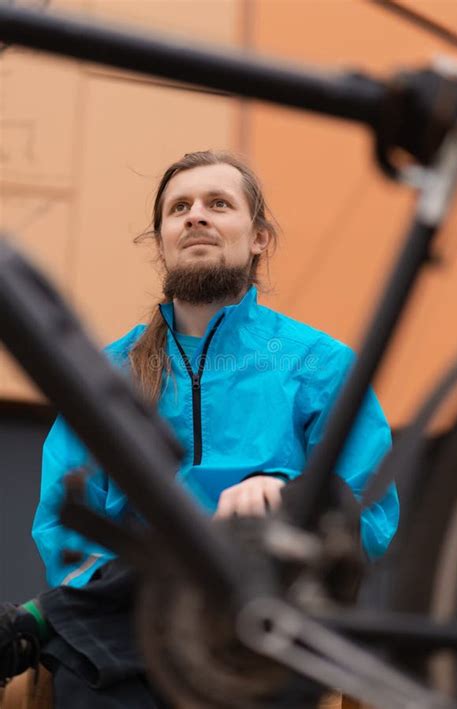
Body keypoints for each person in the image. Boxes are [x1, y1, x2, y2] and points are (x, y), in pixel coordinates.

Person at [2, 150, 399, 706]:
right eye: (179, 208)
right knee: (149, 576)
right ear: (161, 240)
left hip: (269, 615)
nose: (196, 216)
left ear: (259, 237)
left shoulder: (320, 363)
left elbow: (369, 512)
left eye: (218, 204)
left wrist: (284, 492)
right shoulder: (105, 375)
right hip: (132, 625)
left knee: (298, 508)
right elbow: (64, 529)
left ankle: (41, 621)